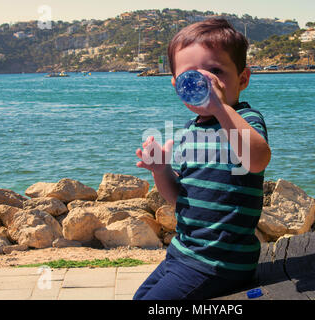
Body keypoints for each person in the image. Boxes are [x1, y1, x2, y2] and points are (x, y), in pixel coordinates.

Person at [133, 18, 271, 300]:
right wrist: (160, 170)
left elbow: (257, 160)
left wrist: (220, 107)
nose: (204, 81)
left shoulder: (245, 120)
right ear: (177, 84)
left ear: (242, 79)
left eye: (216, 71)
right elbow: (179, 198)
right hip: (182, 252)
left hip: (219, 263)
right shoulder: (189, 130)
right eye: (191, 76)